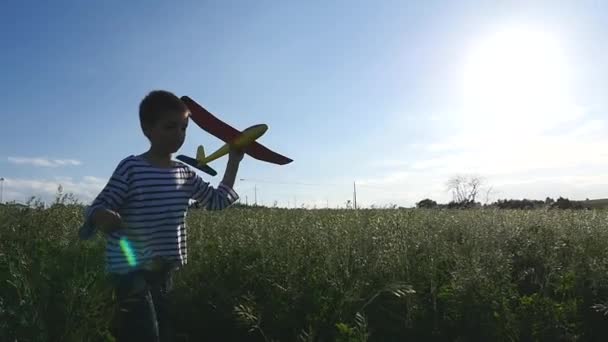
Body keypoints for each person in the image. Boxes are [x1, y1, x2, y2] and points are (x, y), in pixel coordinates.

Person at [79, 90, 243, 341]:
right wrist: (102, 216)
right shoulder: (132, 168)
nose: (178, 135)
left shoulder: (184, 174)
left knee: (162, 329)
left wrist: (234, 161)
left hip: (164, 271)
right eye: (169, 127)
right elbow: (99, 206)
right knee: (145, 333)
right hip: (130, 269)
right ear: (147, 129)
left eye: (183, 128)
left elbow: (217, 201)